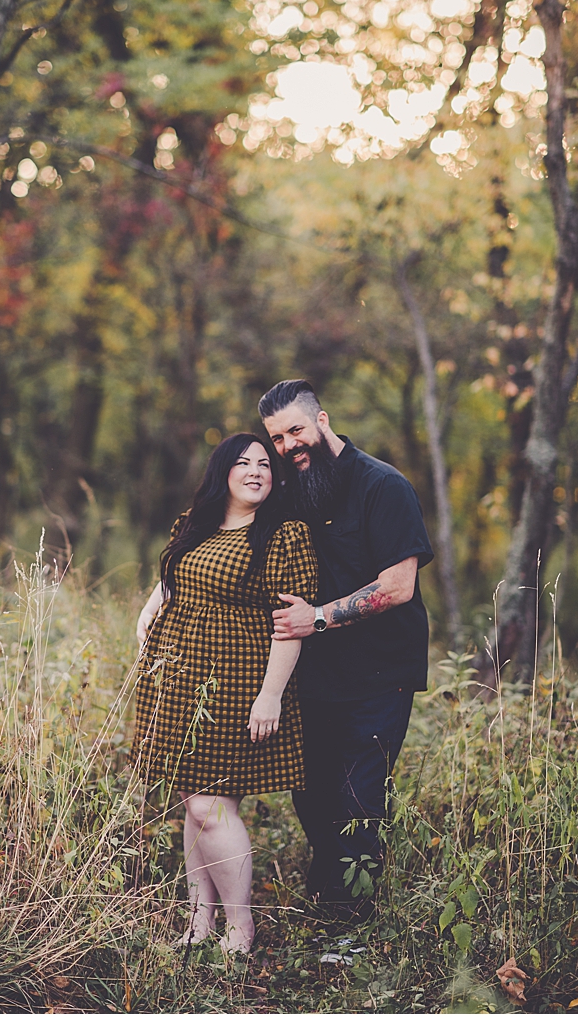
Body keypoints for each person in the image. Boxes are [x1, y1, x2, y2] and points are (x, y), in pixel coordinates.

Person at [133, 432, 318, 953]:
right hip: (178, 679)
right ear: (224, 472)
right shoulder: (194, 524)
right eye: (244, 462)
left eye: (265, 463)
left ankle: (241, 928)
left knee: (211, 805)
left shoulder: (284, 534)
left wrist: (271, 695)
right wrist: (148, 615)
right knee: (194, 804)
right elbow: (171, 580)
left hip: (236, 683)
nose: (257, 470)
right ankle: (199, 924)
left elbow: (290, 624)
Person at [259, 378, 432, 916]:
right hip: (314, 675)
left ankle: (350, 922)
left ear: (322, 421)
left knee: (358, 796)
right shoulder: (289, 491)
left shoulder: (382, 485)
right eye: (277, 438)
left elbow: (398, 585)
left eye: (295, 430)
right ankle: (329, 886)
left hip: (381, 673)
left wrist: (318, 619)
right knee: (310, 792)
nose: (288, 445)